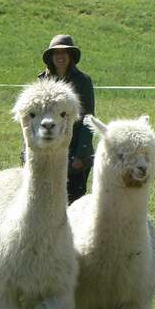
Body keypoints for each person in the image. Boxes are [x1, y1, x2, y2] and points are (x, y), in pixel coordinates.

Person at [39, 34, 95, 204]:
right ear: (51, 57)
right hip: (48, 151)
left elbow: (88, 118)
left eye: (65, 53)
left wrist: (80, 155)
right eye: (56, 53)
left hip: (75, 151)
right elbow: (33, 118)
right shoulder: (42, 80)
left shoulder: (83, 81)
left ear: (71, 56)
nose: (60, 57)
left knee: (72, 204)